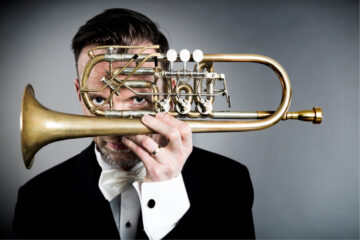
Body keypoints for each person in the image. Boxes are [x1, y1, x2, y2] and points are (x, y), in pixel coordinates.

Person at [13, 8, 255, 239]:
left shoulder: (230, 184)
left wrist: (166, 195)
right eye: (98, 99)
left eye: (139, 98)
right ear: (80, 95)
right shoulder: (36, 199)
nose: (119, 127)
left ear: (169, 96)